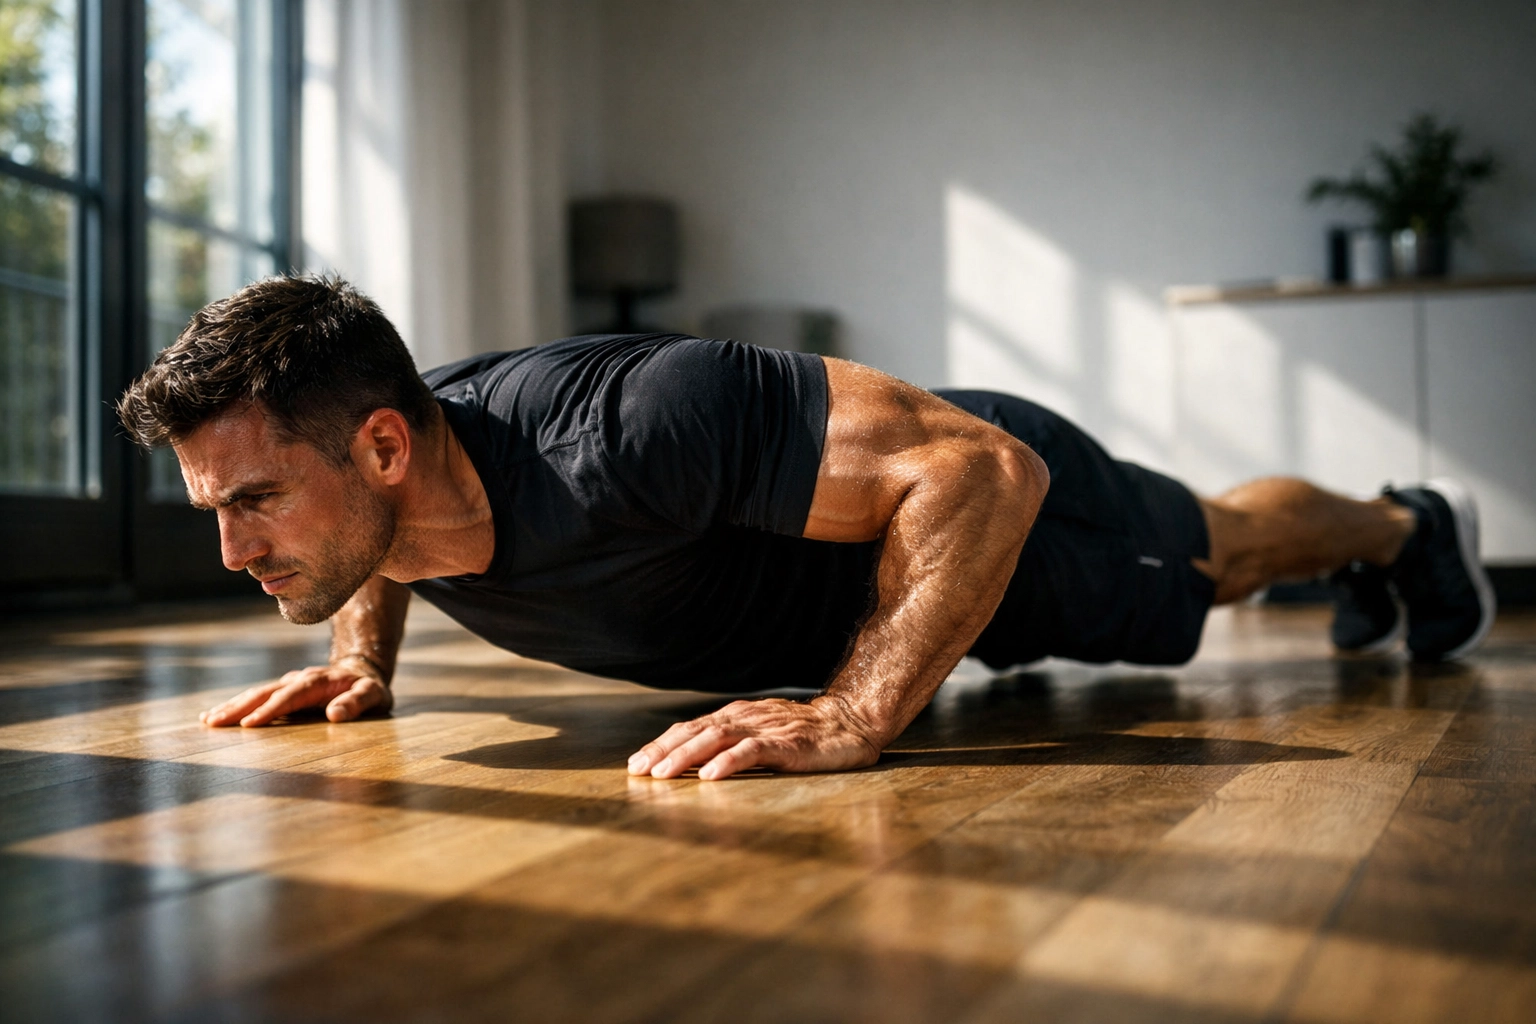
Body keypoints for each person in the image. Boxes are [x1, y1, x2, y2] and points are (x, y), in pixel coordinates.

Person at [117, 276, 1496, 780]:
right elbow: (377, 535)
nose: (234, 552)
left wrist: (849, 716)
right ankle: (1391, 536)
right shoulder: (389, 473)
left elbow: (982, 476)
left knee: (1222, 556)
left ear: (379, 445)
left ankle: (1399, 524)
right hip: (911, 553)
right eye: (217, 508)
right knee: (1218, 555)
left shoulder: (629, 426)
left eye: (254, 503)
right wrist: (368, 658)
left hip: (982, 508)